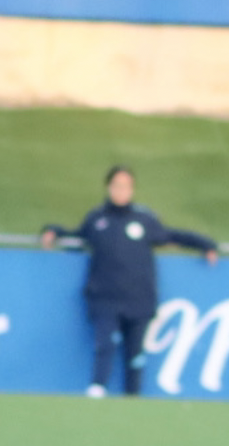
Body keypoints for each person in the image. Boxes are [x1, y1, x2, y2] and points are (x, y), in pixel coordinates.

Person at [38, 166, 218, 397]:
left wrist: (206, 244)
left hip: (138, 299)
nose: (121, 191)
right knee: (105, 345)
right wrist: (53, 231)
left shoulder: (144, 219)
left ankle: (133, 400)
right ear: (108, 187)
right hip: (105, 297)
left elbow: (171, 235)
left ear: (132, 189)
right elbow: (76, 236)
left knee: (135, 356)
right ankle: (97, 390)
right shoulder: (97, 219)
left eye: (126, 186)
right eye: (117, 186)